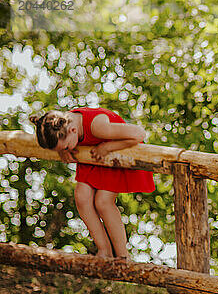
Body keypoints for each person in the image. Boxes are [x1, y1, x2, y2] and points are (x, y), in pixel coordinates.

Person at [29, 107, 155, 259]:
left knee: (103, 202)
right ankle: (104, 250)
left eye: (66, 147)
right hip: (93, 153)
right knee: (81, 197)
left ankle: (122, 255)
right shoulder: (61, 125)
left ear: (73, 130)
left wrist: (107, 147)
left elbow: (139, 133)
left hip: (113, 151)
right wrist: (63, 149)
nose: (66, 149)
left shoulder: (97, 127)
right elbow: (61, 137)